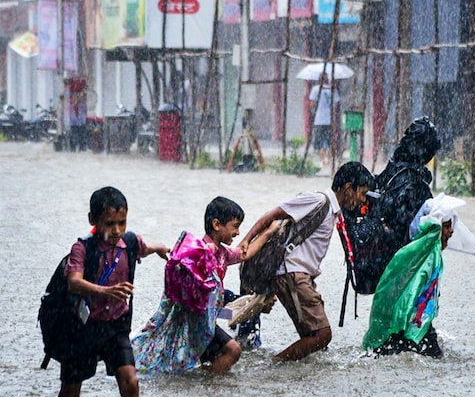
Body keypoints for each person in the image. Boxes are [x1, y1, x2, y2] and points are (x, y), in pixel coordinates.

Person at [45, 187, 170, 397]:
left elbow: (144, 248)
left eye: (122, 223)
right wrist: (106, 291)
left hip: (115, 328)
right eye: (109, 223)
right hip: (82, 330)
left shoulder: (130, 242)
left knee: (131, 384)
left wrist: (160, 249)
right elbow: (74, 282)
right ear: (93, 220)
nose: (116, 230)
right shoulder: (83, 249)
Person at [239, 161, 373, 361]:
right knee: (322, 335)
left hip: (300, 276)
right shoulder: (317, 200)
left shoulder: (334, 211)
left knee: (314, 344)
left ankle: (285, 372)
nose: (362, 200)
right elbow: (274, 214)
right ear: (347, 188)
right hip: (292, 273)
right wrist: (245, 241)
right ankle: (274, 366)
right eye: (361, 193)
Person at [132, 197, 277, 376]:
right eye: (235, 226)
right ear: (217, 224)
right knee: (233, 350)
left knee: (212, 357)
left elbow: (243, 254)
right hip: (196, 321)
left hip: (208, 317)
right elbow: (182, 255)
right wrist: (203, 252)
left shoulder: (223, 253)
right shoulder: (199, 250)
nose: (238, 232)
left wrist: (268, 233)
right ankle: (207, 385)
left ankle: (203, 384)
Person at [362, 194, 475, 358]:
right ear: (435, 228)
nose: (451, 231)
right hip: (407, 328)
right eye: (446, 226)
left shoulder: (419, 252)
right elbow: (412, 295)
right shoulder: (424, 257)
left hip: (402, 326)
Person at [340, 116, 442, 295]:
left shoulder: (391, 170)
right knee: (410, 318)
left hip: (381, 266)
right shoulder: (415, 184)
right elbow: (419, 234)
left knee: (387, 317)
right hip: (403, 269)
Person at [309, 72, 340, 165]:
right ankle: (329, 161)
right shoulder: (332, 89)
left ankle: (322, 161)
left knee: (319, 143)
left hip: (319, 120)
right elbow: (336, 103)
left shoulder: (315, 89)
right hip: (329, 120)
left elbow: (312, 104)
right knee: (330, 142)